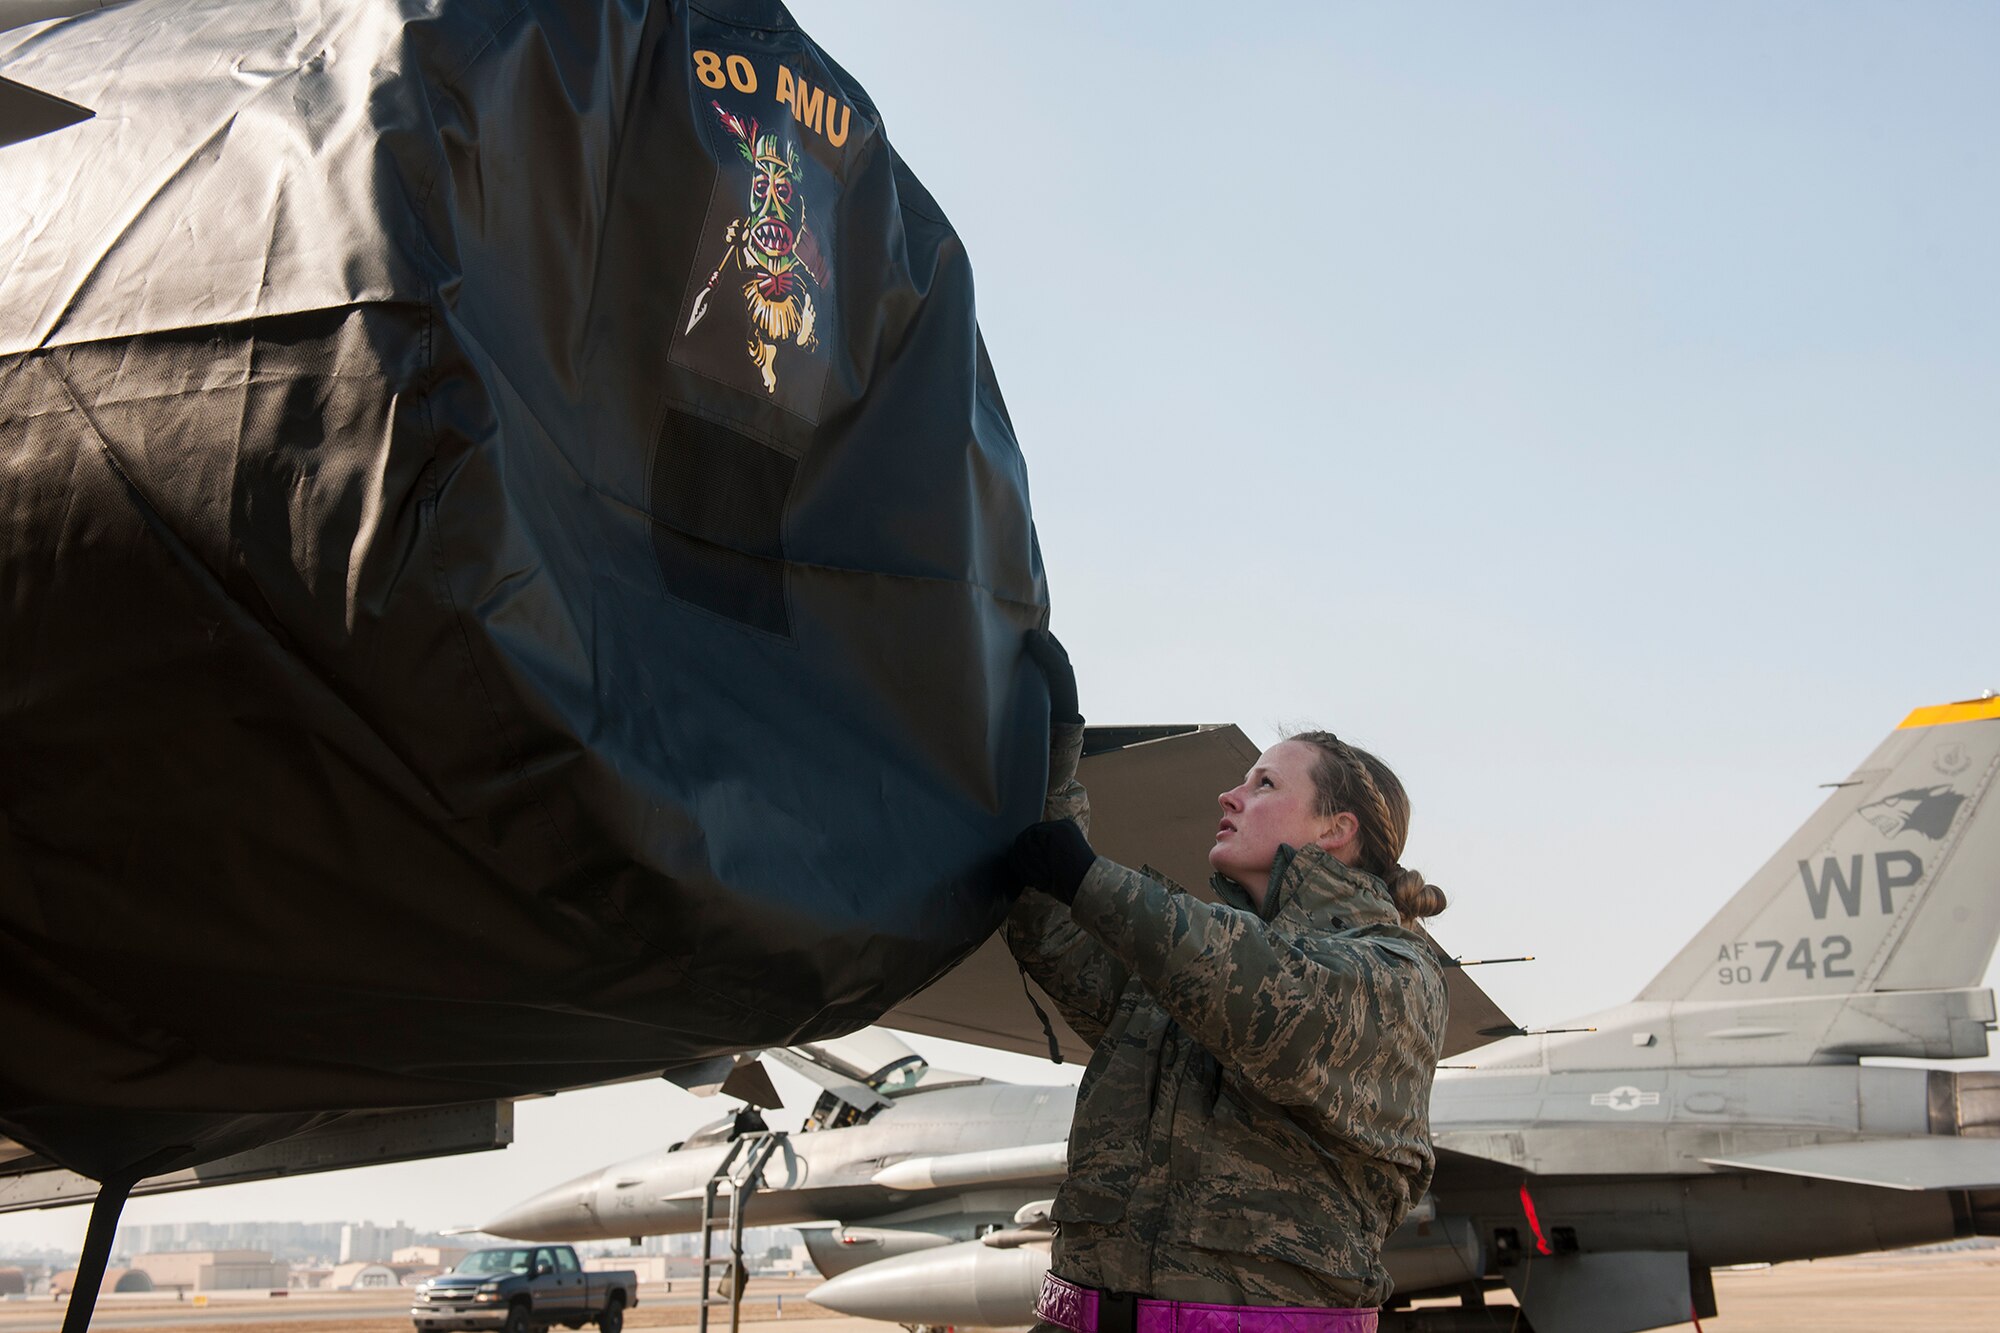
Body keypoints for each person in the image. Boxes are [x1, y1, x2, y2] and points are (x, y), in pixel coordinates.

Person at [1004, 631, 1450, 1332]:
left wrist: (1090, 877)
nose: (1230, 793)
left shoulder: (1395, 972)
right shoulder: (1188, 966)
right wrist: (1055, 763)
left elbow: (1269, 994)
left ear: (1336, 829)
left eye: (1264, 783)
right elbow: (1057, 938)